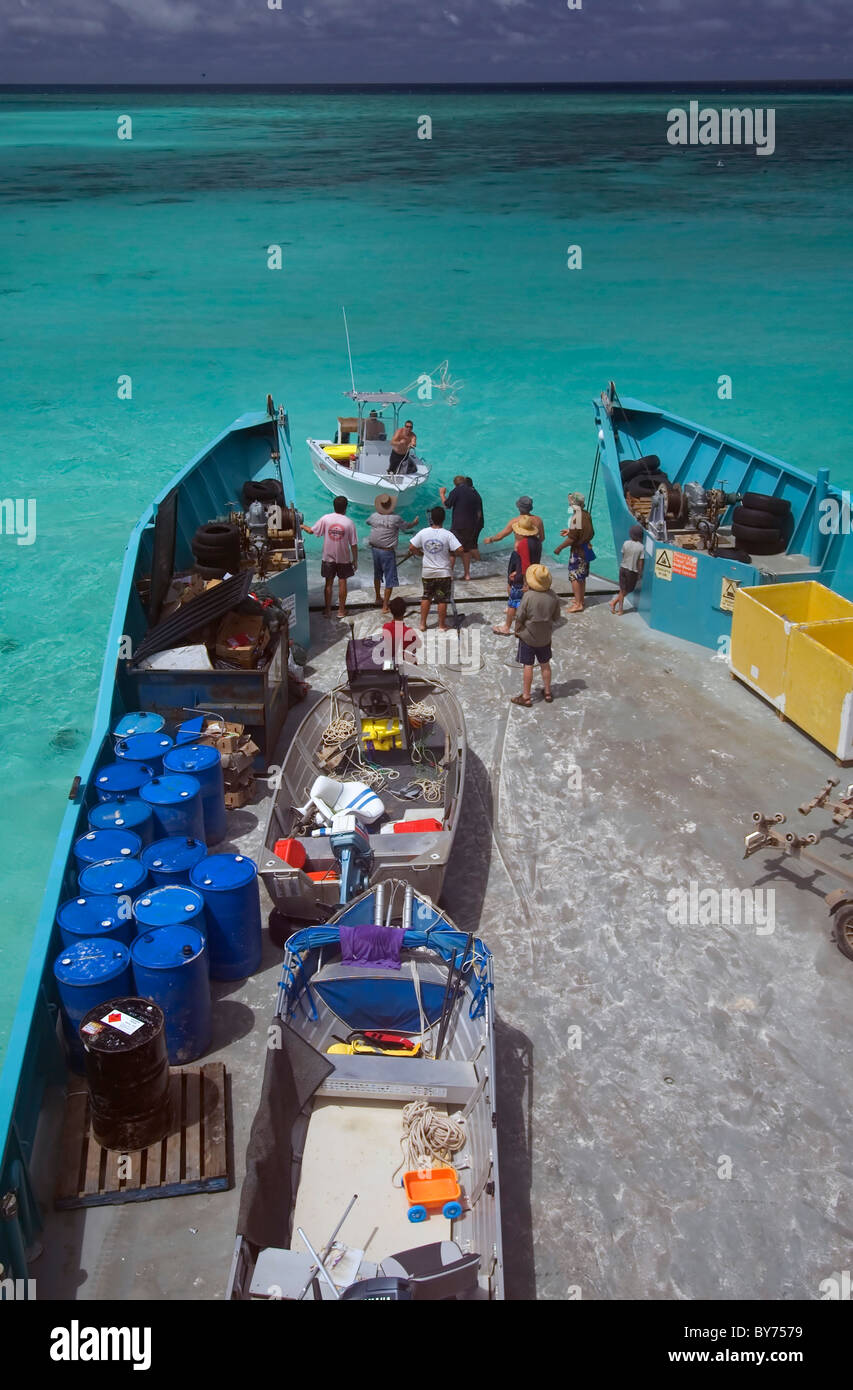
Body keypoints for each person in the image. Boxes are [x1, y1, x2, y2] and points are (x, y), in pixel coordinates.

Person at [407, 505, 463, 632]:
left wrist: (421, 553)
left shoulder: (423, 532)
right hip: (443, 572)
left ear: (431, 518)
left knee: (426, 597)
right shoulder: (448, 534)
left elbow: (411, 547)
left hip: (427, 572)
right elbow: (460, 549)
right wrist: (449, 552)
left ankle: (422, 624)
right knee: (442, 599)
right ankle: (441, 625)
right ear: (443, 519)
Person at [511, 564, 560, 707]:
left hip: (528, 637)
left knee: (528, 665)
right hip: (545, 637)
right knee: (545, 664)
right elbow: (556, 617)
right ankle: (548, 692)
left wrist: (517, 629)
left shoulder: (528, 596)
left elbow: (520, 616)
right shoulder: (553, 596)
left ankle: (526, 696)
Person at [302, 495, 358, 619]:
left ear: (334, 506)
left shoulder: (326, 519)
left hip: (328, 557)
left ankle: (327, 611)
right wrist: (355, 560)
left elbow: (312, 531)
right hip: (344, 558)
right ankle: (341, 611)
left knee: (328, 583)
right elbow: (353, 544)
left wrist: (302, 525)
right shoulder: (349, 523)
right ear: (346, 508)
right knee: (342, 581)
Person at [366, 493, 419, 613]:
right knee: (389, 578)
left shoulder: (374, 516)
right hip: (387, 551)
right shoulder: (396, 518)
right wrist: (414, 523)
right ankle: (385, 606)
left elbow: (367, 522)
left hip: (375, 549)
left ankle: (378, 598)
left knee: (377, 574)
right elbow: (406, 527)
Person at [492, 516, 540, 634]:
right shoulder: (537, 541)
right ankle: (525, 625)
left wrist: (524, 581)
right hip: (533, 575)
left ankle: (506, 627)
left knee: (513, 602)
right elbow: (532, 561)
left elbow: (525, 564)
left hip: (523, 578)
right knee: (526, 603)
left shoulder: (523, 544)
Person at [554, 491, 595, 614]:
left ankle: (578, 604)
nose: (569, 504)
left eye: (570, 502)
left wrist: (559, 548)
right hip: (586, 549)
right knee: (581, 577)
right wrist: (570, 531)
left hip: (578, 552)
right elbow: (588, 531)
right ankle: (580, 599)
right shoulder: (586, 514)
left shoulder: (576, 518)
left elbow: (572, 539)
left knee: (575, 577)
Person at [440, 475, 481, 580]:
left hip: (459, 525)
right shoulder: (474, 493)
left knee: (451, 550)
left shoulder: (456, 491)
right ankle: (467, 574)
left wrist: (442, 494)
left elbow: (447, 505)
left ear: (455, 484)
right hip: (472, 525)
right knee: (466, 550)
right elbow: (479, 513)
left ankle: (449, 575)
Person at [610, 524, 645, 614]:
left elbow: (623, 555)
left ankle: (614, 603)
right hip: (632, 571)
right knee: (628, 590)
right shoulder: (641, 547)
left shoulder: (625, 543)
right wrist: (640, 573)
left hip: (623, 568)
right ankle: (619, 608)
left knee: (622, 590)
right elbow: (640, 562)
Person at [381, 596, 419, 663]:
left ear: (390, 610)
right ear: (404, 611)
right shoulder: (410, 632)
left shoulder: (385, 627)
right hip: (406, 663)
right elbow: (413, 651)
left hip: (391, 661)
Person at [464, 477, 485, 555]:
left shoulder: (473, 495)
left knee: (472, 546)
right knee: (469, 545)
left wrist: (472, 526)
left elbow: (478, 514)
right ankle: (475, 561)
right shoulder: (472, 492)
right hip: (477, 524)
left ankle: (480, 563)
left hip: (475, 524)